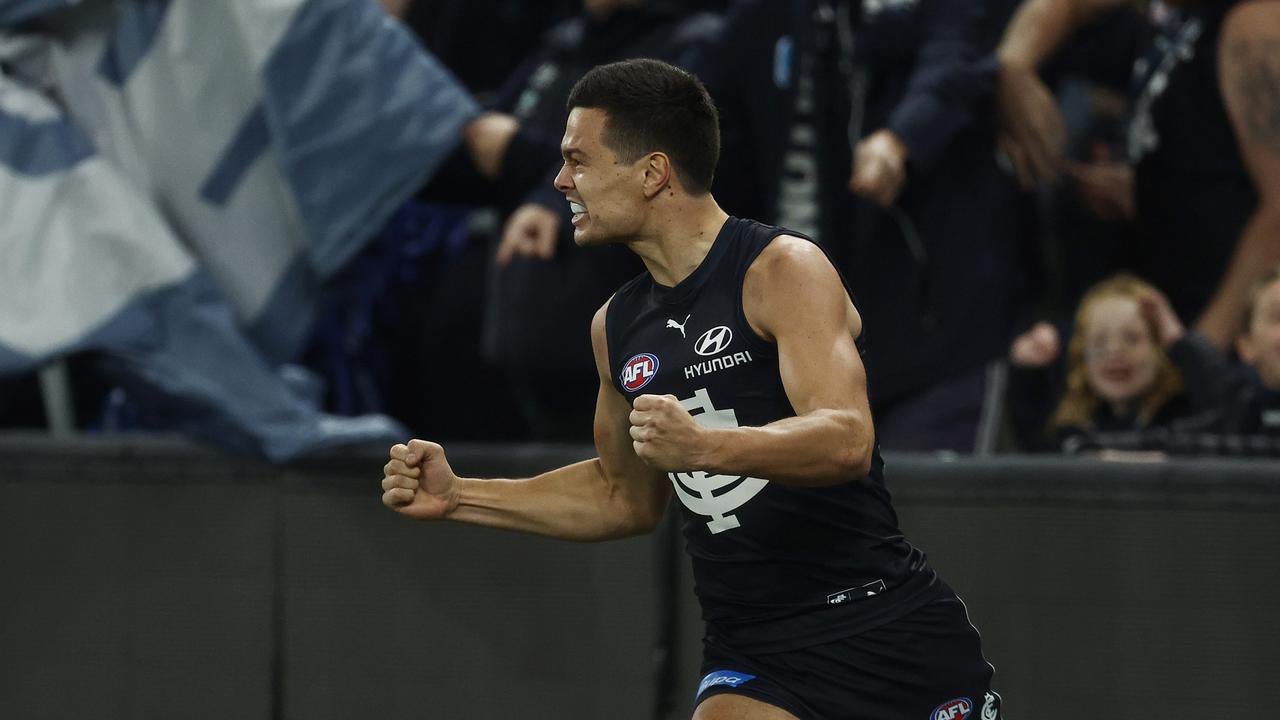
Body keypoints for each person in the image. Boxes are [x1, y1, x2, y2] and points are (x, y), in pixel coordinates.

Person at [381, 59, 1001, 719]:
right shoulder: (615, 326)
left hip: (886, 634)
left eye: (578, 160)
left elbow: (846, 438)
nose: (560, 180)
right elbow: (623, 497)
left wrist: (706, 446)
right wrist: (460, 497)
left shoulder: (782, 269)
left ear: (652, 173)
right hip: (754, 653)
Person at [996, 0, 1280, 351]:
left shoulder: (1254, 22)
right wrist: (1011, 65)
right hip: (1171, 308)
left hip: (1226, 344)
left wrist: (1202, 351)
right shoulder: (1183, 20)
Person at [1047, 274, 1187, 452]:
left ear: (1161, 348)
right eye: (1098, 341)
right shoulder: (1070, 430)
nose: (1114, 350)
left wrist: (1181, 345)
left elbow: (1220, 401)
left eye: (1131, 338)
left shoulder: (1185, 421)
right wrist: (1027, 372)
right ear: (1081, 356)